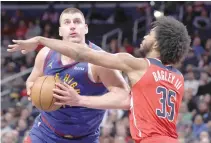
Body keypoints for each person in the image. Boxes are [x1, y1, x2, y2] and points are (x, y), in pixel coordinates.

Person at [8, 16, 191, 143]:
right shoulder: (179, 78)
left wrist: (41, 39)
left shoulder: (138, 65)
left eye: (150, 34)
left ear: (157, 43)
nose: (145, 36)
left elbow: (82, 53)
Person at [8, 8, 129, 143]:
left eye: (77, 22)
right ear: (60, 30)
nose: (72, 26)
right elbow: (31, 80)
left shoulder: (100, 60)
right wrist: (34, 91)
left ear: (85, 28)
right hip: (44, 133)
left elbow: (124, 98)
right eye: (67, 22)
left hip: (84, 138)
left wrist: (78, 100)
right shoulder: (46, 54)